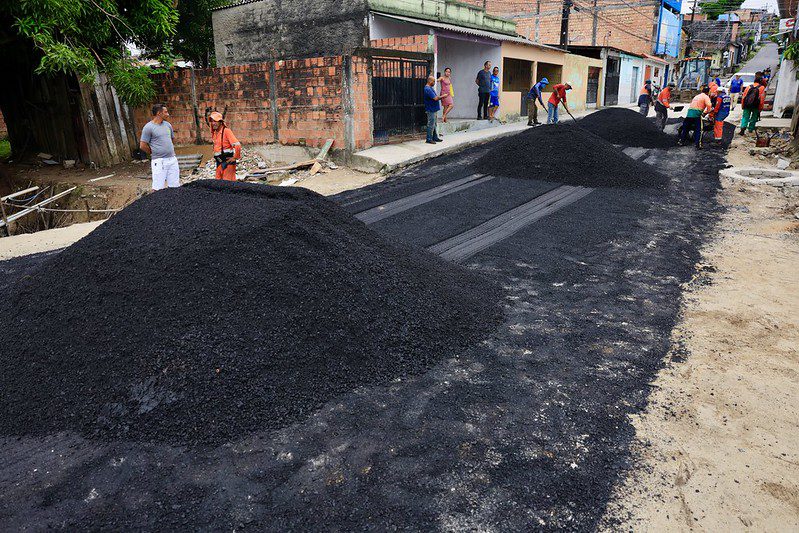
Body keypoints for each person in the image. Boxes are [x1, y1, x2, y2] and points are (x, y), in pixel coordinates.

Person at [140, 103, 180, 191]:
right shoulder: (148, 127)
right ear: (159, 113)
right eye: (165, 112)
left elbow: (172, 139)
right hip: (159, 161)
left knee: (175, 186)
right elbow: (143, 145)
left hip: (172, 159)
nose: (168, 114)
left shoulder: (168, 125)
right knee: (158, 188)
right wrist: (153, 152)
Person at [208, 111, 241, 181]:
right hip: (219, 162)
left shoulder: (226, 131)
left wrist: (235, 158)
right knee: (218, 184)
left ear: (220, 122)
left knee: (228, 185)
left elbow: (237, 145)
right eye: (212, 121)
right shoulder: (215, 133)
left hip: (227, 163)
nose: (213, 123)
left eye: (215, 121)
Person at [424, 75, 443, 144]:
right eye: (434, 81)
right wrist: (443, 96)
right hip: (431, 109)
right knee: (431, 124)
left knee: (434, 124)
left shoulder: (430, 88)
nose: (434, 82)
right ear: (430, 81)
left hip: (433, 108)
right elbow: (435, 98)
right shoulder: (428, 89)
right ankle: (429, 139)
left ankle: (435, 137)